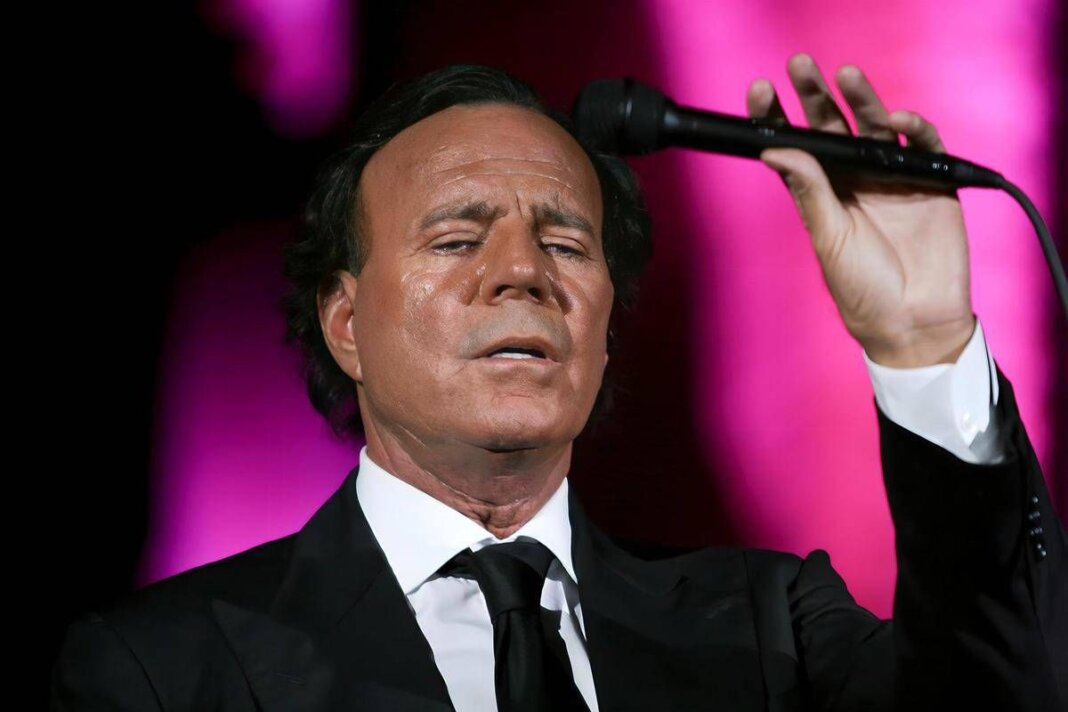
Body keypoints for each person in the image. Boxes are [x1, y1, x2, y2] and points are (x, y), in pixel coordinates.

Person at [50, 54, 1066, 711]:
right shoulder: (160, 672)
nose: (522, 273)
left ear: (606, 331)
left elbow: (996, 690)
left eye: (567, 244)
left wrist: (924, 343)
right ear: (347, 322)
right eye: (457, 238)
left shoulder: (773, 629)